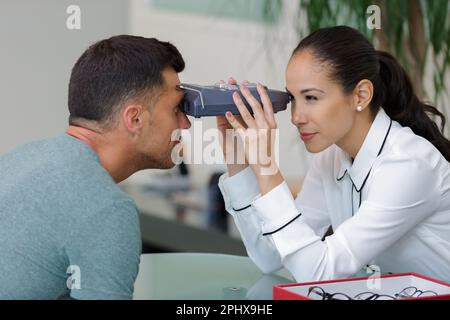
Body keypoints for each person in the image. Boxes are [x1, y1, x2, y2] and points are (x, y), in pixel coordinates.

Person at [217, 26, 450, 282]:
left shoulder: (409, 165)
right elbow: (270, 257)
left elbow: (319, 272)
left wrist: (266, 166)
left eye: (312, 98)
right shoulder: (330, 159)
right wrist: (238, 157)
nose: (296, 117)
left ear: (361, 95)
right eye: (293, 98)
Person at [0, 35, 191, 299]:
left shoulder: (20, 158)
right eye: (176, 109)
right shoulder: (107, 210)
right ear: (134, 118)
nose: (185, 124)